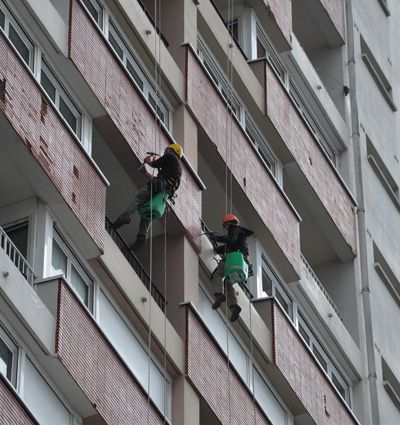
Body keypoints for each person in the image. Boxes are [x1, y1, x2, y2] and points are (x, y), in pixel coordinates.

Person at [113, 143, 183, 251]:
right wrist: (145, 173)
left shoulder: (170, 157)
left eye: (167, 150)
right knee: (147, 210)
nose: (165, 152)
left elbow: (155, 164)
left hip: (158, 186)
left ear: (171, 150)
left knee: (140, 198)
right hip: (163, 192)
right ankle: (142, 236)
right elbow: (161, 180)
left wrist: (148, 161)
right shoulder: (176, 168)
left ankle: (126, 216)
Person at [208, 214, 253, 322]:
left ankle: (219, 294)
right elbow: (229, 244)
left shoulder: (235, 230)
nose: (226, 228)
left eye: (226, 225)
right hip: (241, 262)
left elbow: (230, 240)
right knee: (228, 281)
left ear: (230, 223)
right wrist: (217, 248)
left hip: (234, 258)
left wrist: (217, 237)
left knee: (217, 274)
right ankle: (234, 307)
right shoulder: (240, 234)